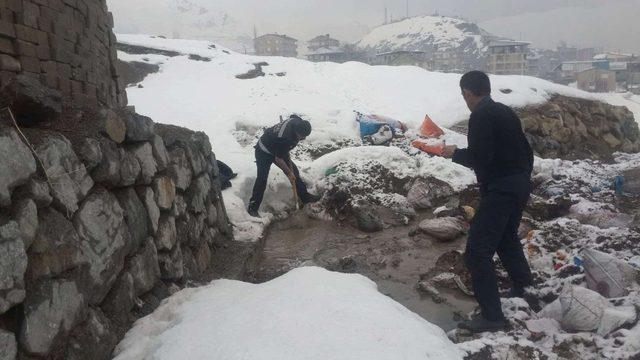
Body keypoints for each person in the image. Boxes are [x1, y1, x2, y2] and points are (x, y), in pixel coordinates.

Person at [440, 71, 534, 333]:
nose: (464, 100)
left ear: (468, 92)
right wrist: (522, 178)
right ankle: (524, 287)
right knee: (506, 238)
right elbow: (527, 150)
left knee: (477, 252)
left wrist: (454, 153)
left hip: (502, 189)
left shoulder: (480, 115)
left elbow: (481, 157)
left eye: (464, 95)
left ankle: (492, 317)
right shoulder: (504, 111)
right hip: (518, 184)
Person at [247, 115, 321, 217]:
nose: (304, 138)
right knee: (262, 179)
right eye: (302, 136)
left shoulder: (297, 121)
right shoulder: (286, 138)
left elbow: (292, 116)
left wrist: (291, 172)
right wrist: (289, 173)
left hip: (279, 148)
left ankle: (304, 197)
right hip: (264, 151)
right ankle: (253, 208)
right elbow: (278, 159)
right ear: (296, 132)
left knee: (295, 172)